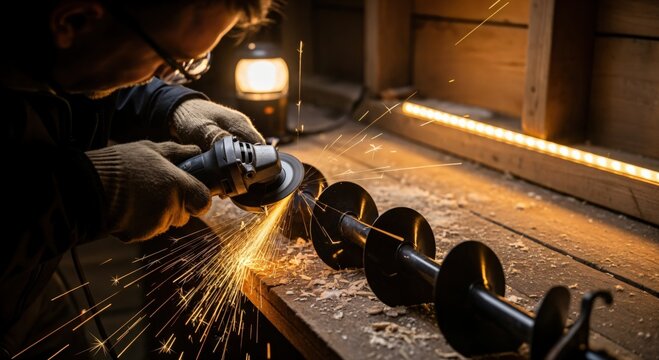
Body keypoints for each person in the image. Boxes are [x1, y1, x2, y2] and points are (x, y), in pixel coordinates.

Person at [1, 0, 274, 357]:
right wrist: (89, 192)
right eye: (174, 60)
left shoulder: (50, 55)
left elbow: (92, 76)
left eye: (191, 63)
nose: (168, 73)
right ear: (73, 20)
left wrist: (170, 105)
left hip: (29, 297)